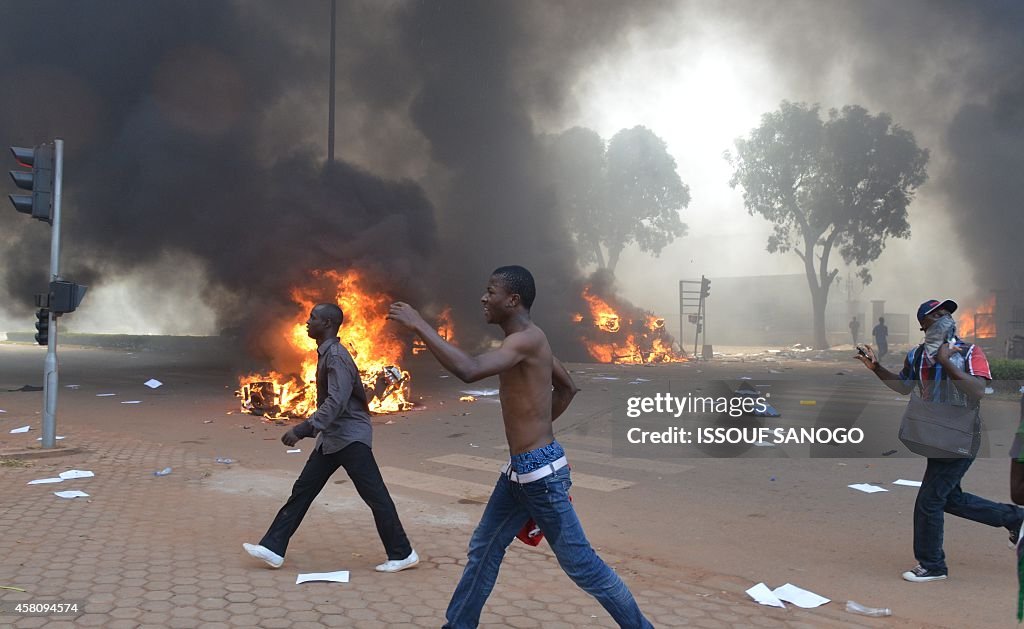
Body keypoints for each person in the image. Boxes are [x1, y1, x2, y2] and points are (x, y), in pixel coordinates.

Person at [388, 266, 652, 628]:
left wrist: (419, 324)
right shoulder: (534, 338)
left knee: (583, 567)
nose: (484, 297)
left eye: (491, 291)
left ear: (512, 300)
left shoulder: (524, 340)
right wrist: (537, 431)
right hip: (522, 472)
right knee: (484, 549)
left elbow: (468, 369)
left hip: (539, 476)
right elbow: (568, 387)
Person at [856, 298, 1023, 583]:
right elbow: (902, 387)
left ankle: (933, 565)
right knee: (949, 498)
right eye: (936, 315)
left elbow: (978, 391)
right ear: (925, 326)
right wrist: (876, 368)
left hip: (961, 439)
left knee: (929, 502)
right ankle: (1013, 518)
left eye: (946, 312)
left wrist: (946, 361)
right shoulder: (917, 356)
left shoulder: (970, 352)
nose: (944, 316)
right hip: (934, 437)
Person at [243, 303, 418, 573]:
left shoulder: (335, 356)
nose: (307, 321)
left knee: (375, 496)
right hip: (333, 439)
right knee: (303, 491)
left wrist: (303, 429)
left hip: (350, 437)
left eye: (313, 318)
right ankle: (273, 547)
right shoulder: (327, 354)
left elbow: (337, 400)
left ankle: (402, 553)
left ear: (327, 324)